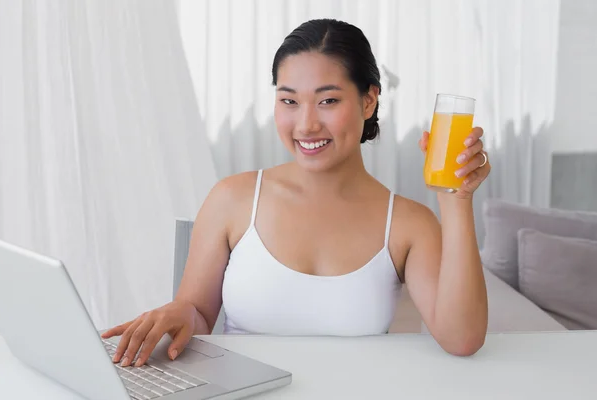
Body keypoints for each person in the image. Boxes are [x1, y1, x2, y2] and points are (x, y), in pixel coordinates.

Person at [102, 18, 490, 367]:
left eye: (328, 101)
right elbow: (198, 314)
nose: (305, 125)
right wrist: (175, 315)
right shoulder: (232, 200)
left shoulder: (408, 224)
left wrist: (456, 201)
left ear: (368, 100)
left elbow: (461, 339)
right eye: (289, 100)